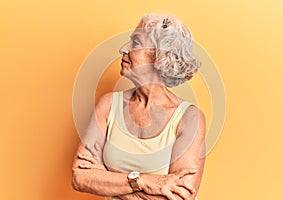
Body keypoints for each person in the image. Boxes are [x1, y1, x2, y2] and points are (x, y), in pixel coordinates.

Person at [72, 13, 206, 200]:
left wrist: (107, 181)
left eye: (135, 43)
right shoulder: (108, 104)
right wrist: (144, 182)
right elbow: (80, 177)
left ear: (160, 55)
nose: (123, 49)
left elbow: (181, 196)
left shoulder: (189, 118)